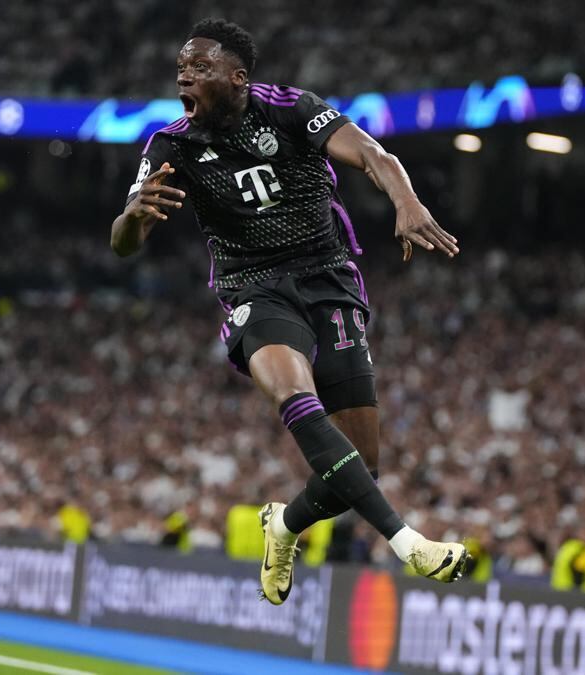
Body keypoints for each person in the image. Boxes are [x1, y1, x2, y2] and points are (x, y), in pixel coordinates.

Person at [110, 18, 469, 605]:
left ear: (237, 77)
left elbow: (374, 154)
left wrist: (406, 202)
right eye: (181, 68)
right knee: (291, 392)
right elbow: (124, 243)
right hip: (254, 287)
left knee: (361, 469)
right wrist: (133, 219)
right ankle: (409, 544)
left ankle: (284, 526)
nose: (185, 76)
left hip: (327, 278)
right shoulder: (170, 145)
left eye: (200, 68)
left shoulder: (292, 109)